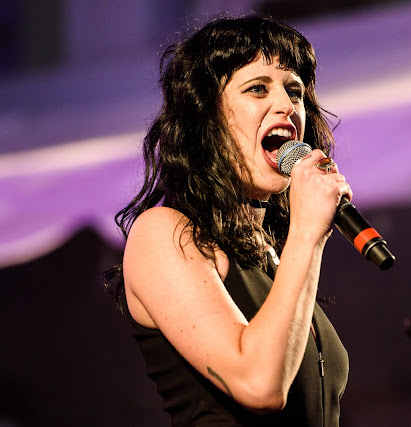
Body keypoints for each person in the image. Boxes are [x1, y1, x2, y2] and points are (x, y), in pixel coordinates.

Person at [106, 16, 350, 426]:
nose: (287, 106)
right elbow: (258, 385)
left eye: (295, 91)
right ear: (206, 118)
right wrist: (308, 234)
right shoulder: (164, 233)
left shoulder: (273, 253)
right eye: (258, 88)